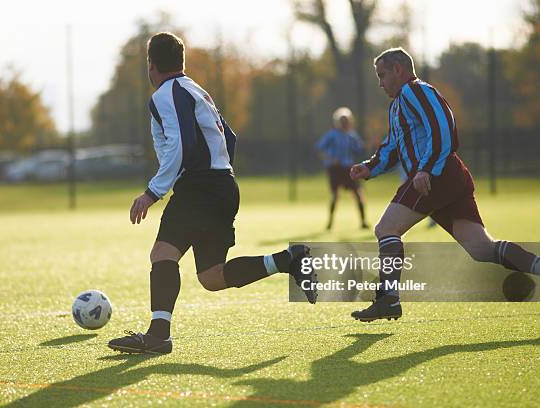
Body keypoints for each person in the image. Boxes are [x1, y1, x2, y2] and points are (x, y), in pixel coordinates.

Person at [108, 32, 317, 354]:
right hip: (222, 185)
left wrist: (153, 192)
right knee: (212, 277)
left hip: (200, 188)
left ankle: (158, 335)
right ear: (181, 61)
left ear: (151, 65)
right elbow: (229, 137)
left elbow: (183, 143)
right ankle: (289, 259)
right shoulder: (196, 89)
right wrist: (217, 172)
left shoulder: (167, 93)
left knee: (162, 254)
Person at [349, 47, 540, 322]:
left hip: (433, 177)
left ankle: (388, 299)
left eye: (382, 75)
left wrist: (425, 169)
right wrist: (369, 167)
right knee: (481, 249)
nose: (380, 82)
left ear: (398, 70)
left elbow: (443, 127)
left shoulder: (415, 91)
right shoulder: (398, 104)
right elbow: (393, 147)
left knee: (386, 229)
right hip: (444, 177)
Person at [316, 107, 368, 230]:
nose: (344, 123)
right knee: (335, 195)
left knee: (357, 193)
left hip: (348, 168)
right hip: (335, 169)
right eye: (342, 120)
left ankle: (363, 222)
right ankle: (330, 223)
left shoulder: (352, 135)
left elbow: (360, 148)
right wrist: (330, 159)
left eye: (346, 120)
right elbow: (320, 149)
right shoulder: (332, 135)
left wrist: (370, 144)